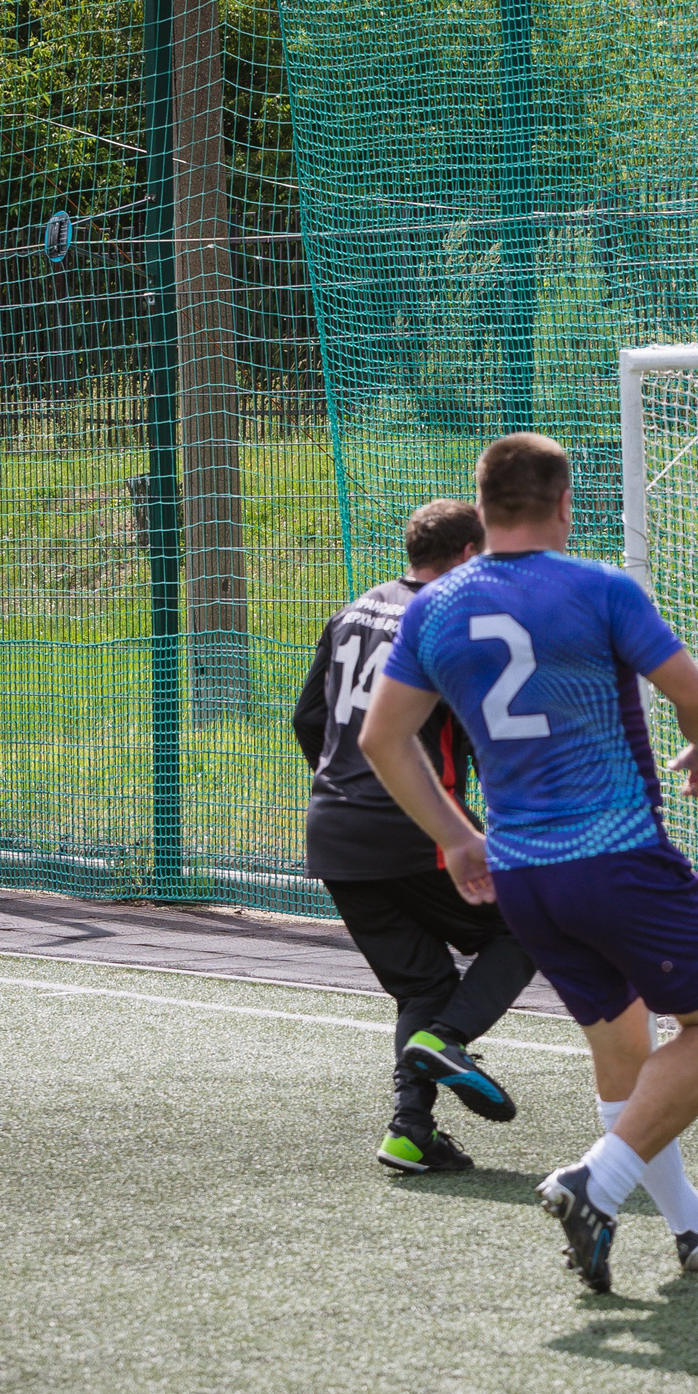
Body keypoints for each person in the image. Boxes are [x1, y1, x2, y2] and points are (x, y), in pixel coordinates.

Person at [356, 432, 698, 1289]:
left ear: (482, 508)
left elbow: (381, 739)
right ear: (564, 505)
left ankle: (690, 1225)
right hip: (614, 856)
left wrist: (458, 836)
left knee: (623, 1044)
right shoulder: (600, 587)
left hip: (522, 877)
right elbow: (695, 697)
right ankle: (596, 1183)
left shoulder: (435, 606)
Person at [293, 498, 536, 1177]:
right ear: (468, 555)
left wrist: (349, 789)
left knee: (424, 984)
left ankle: (410, 1131)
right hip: (417, 826)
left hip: (334, 832)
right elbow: (490, 740)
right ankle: (449, 1038)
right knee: (531, 921)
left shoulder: (355, 610)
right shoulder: (454, 622)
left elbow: (308, 718)